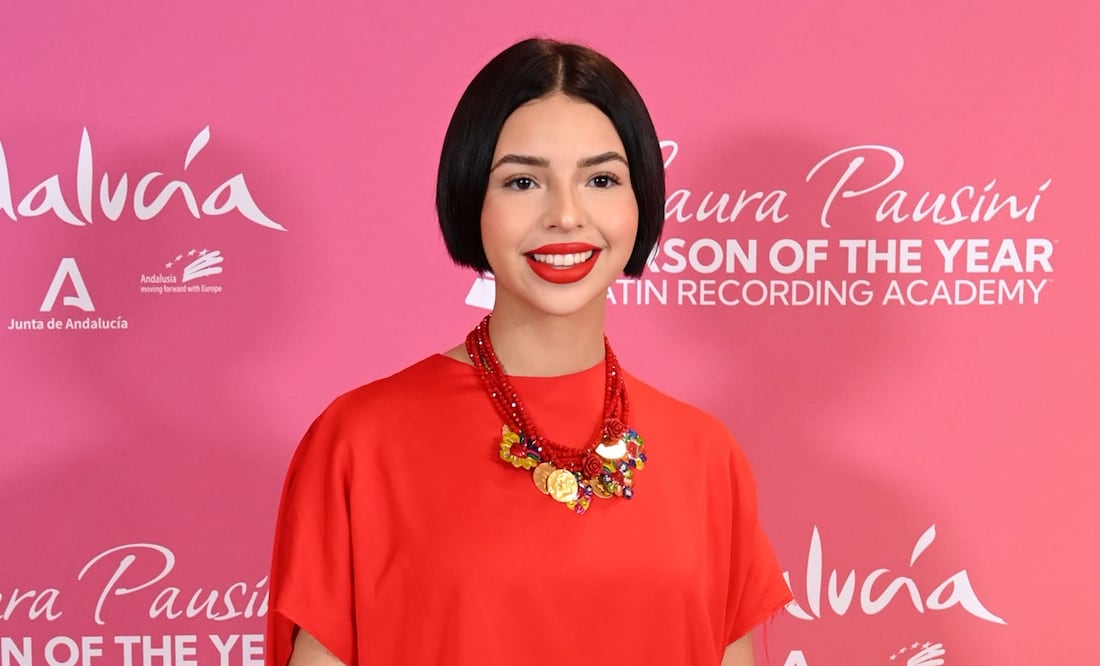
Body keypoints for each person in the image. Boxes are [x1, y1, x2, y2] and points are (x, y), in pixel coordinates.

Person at [267, 38, 792, 666]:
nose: (566, 215)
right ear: (471, 199)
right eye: (522, 181)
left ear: (640, 199)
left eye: (601, 179)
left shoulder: (707, 458)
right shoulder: (360, 440)